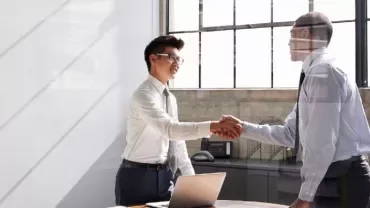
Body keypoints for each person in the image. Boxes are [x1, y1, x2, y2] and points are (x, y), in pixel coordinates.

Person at [216, 12, 370, 208]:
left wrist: (305, 197)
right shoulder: (315, 73)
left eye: (291, 34)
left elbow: (322, 143)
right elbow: (291, 134)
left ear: (305, 33)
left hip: (343, 182)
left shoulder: (323, 74)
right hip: (331, 178)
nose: (288, 42)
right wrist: (243, 127)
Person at [115, 35, 243, 206]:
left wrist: (193, 181)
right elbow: (170, 129)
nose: (176, 63)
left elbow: (177, 142)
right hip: (137, 177)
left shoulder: (170, 98)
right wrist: (213, 126)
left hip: (165, 176)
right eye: (170, 57)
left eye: (178, 58)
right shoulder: (143, 95)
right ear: (153, 58)